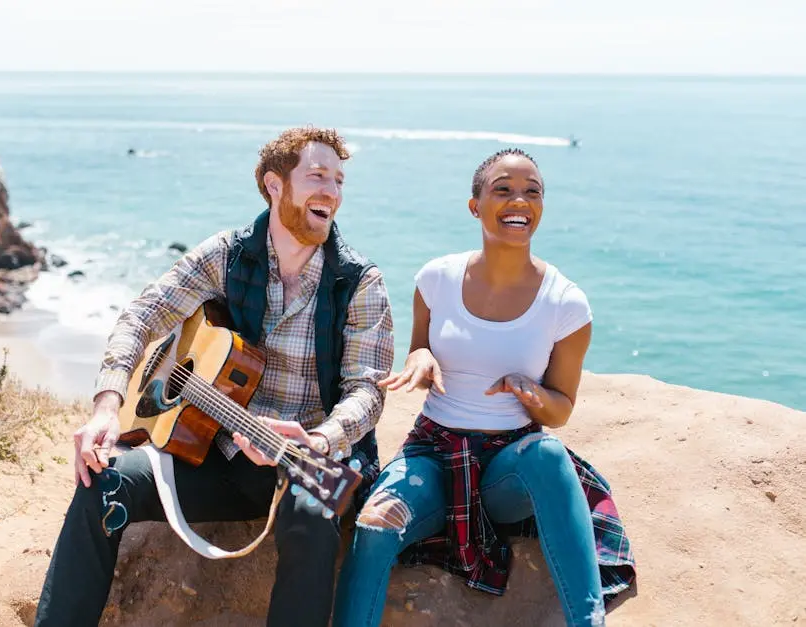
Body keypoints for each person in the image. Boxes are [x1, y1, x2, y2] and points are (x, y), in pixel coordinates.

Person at [34, 126, 394, 627]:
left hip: (299, 457)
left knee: (313, 519)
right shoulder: (226, 255)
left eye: (338, 181)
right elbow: (143, 316)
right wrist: (107, 406)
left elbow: (367, 391)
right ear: (274, 185)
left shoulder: (358, 281)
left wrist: (322, 437)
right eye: (317, 176)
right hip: (205, 452)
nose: (330, 192)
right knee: (103, 482)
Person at [332, 148, 635, 627]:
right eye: (503, 189)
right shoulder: (436, 278)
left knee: (550, 455)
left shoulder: (566, 304)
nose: (520, 201)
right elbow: (417, 349)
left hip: (507, 465)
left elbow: (560, 410)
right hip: (432, 452)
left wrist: (532, 394)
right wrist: (423, 358)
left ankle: (588, 621)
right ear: (475, 205)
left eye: (532, 191)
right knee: (374, 525)